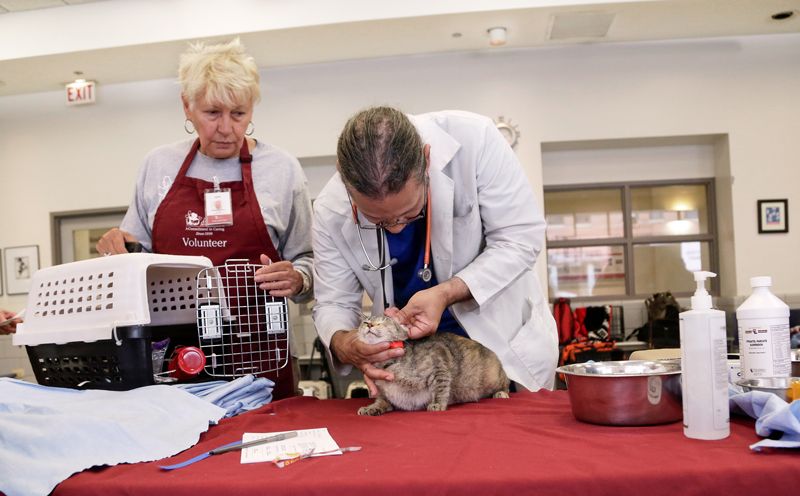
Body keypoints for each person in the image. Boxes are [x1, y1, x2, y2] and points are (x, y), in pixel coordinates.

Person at [96, 38, 314, 399]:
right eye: (213, 113)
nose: (226, 128)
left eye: (239, 113)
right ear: (188, 106)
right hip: (172, 362)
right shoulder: (157, 166)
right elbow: (132, 261)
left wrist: (299, 278)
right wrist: (115, 250)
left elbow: (310, 261)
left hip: (260, 357)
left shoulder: (282, 170)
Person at [312, 106, 558, 395]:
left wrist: (447, 292)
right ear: (345, 183)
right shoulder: (330, 208)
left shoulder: (476, 140)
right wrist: (346, 344)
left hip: (498, 353)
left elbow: (519, 238)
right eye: (377, 221)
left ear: (427, 161)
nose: (395, 229)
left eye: (408, 214)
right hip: (414, 373)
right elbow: (333, 302)